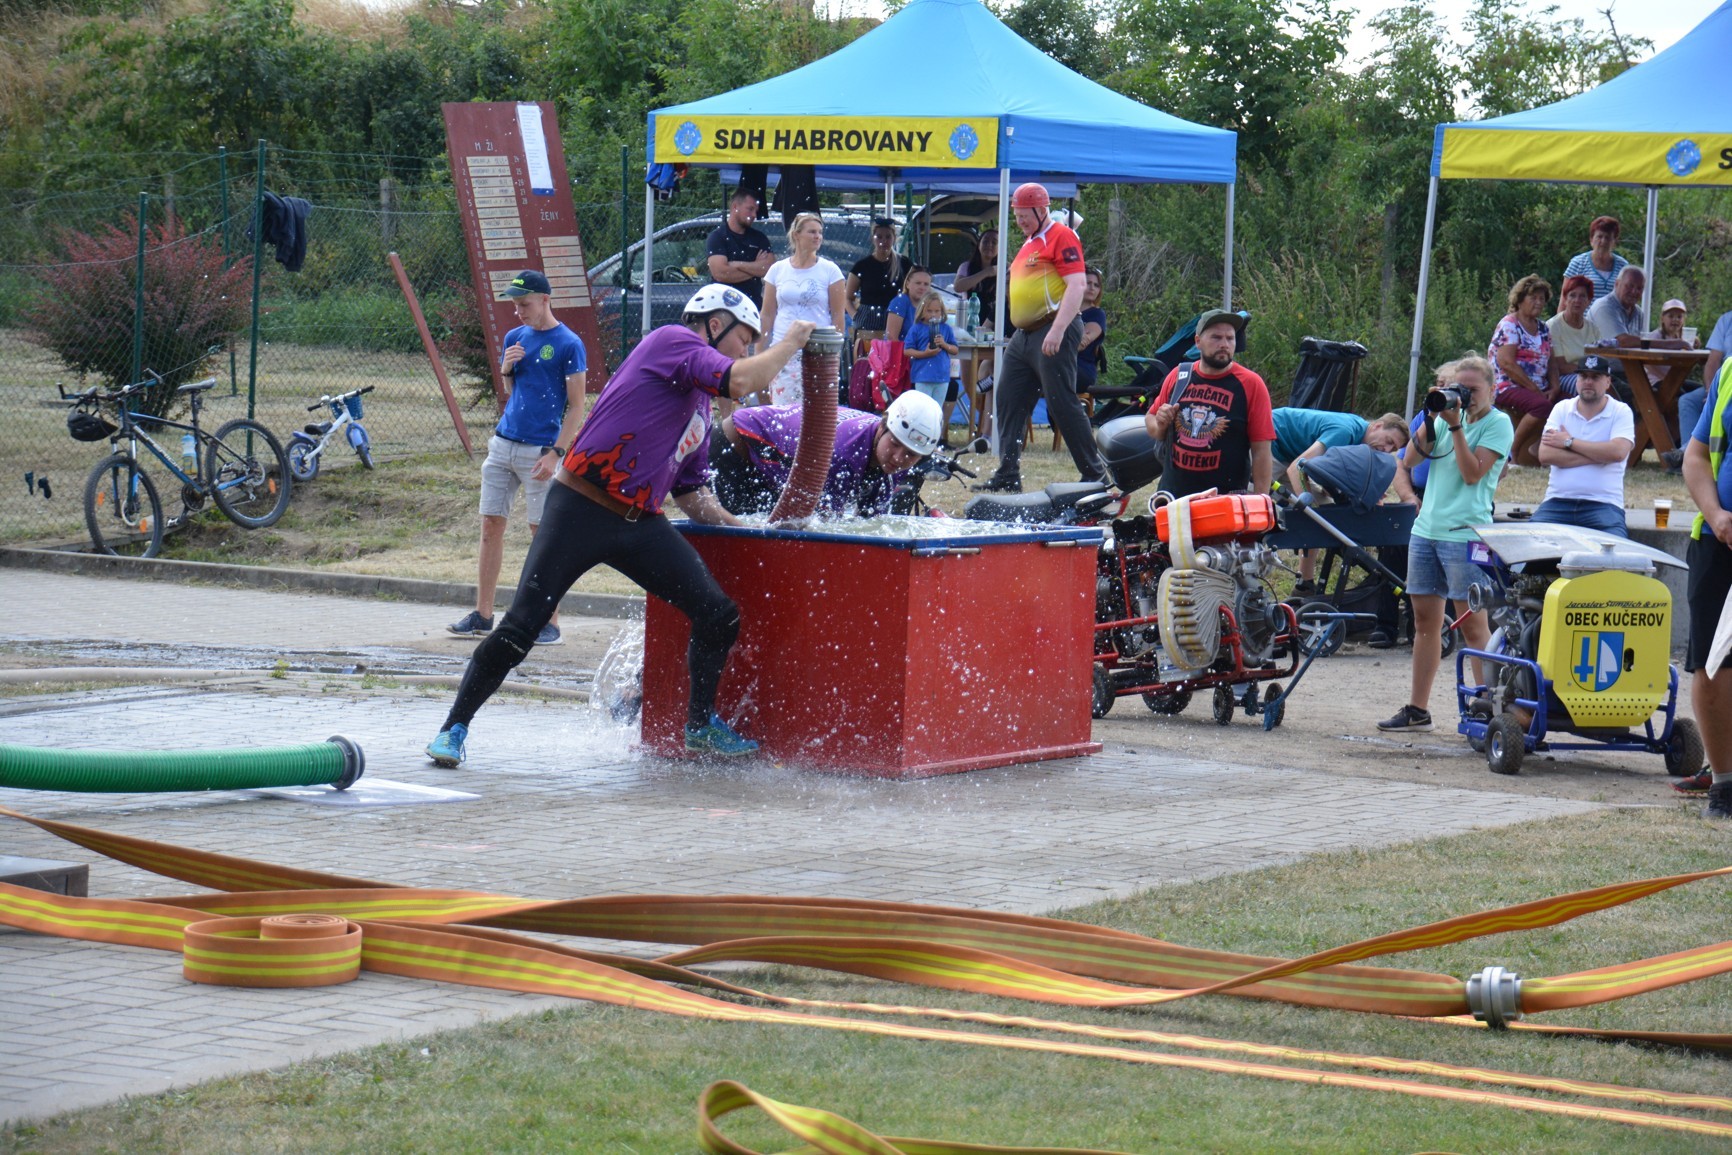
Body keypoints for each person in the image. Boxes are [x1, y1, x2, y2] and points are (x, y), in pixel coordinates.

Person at [424, 285, 817, 767]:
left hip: (639, 523)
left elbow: (692, 496)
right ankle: (453, 728)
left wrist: (744, 529)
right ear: (715, 325)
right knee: (522, 626)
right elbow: (740, 381)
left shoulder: (699, 407)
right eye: (745, 339)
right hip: (580, 508)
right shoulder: (672, 341)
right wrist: (791, 340)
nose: (747, 349)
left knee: (718, 613)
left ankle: (699, 726)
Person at [447, 270, 587, 648]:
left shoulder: (569, 344)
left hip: (540, 451)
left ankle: (549, 622)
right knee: (490, 525)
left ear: (544, 300)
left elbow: (577, 406)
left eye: (524, 304)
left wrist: (556, 453)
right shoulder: (515, 337)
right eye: (514, 305)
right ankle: (483, 615)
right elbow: (514, 392)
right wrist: (507, 369)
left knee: (543, 534)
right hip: (502, 445)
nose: (518, 311)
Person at [1380, 356, 1512, 732]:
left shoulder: (1498, 423)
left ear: (1492, 390)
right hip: (1427, 530)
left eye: (1473, 390)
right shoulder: (1443, 417)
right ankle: (1417, 709)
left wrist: (1455, 427)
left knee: (1472, 624)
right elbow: (1408, 459)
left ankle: (1487, 705)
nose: (1465, 397)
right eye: (1459, 389)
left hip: (1466, 534)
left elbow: (1472, 474)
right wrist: (1431, 415)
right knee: (1425, 623)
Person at [974, 182, 1112, 491]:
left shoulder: (1061, 236)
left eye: (1024, 215)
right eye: (1017, 215)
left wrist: (1059, 329)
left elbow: (1076, 285)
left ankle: (1096, 475)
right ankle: (1008, 474)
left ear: (1041, 210)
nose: (1020, 221)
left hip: (1052, 326)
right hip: (1024, 335)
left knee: (1061, 401)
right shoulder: (1030, 241)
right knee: (1007, 396)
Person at [710, 391, 942, 518]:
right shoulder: (842, 456)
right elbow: (825, 528)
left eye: (911, 455)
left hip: (770, 450)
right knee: (759, 536)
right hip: (735, 444)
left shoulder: (890, 452)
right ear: (882, 426)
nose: (898, 458)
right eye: (895, 444)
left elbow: (872, 522)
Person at [1273, 407, 1409, 593]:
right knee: (1310, 515)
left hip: (1292, 456)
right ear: (1377, 426)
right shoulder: (1345, 431)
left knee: (1326, 513)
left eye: (1393, 449)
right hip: (1274, 443)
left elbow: (1323, 473)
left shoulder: (1361, 442)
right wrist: (1307, 508)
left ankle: (1304, 584)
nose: (1386, 449)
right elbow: (1297, 467)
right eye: (1389, 441)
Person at [1142, 309, 1275, 499]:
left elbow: (1261, 450)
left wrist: (1262, 501)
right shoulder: (1180, 376)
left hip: (1224, 501)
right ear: (1198, 342)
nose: (1224, 344)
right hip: (1173, 497)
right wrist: (1160, 424)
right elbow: (1151, 420)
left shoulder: (1251, 384)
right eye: (1216, 337)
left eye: (1230, 338)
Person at [1680, 360, 1732, 817]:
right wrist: (1716, 516)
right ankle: (1723, 785)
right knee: (1712, 665)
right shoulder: (1730, 371)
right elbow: (1695, 457)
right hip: (1718, 542)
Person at [1531, 354, 1635, 536]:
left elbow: (1618, 453)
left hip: (1604, 505)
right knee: (1529, 543)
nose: (1588, 382)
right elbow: (1545, 455)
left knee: (1617, 548)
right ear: (1577, 381)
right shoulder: (1562, 408)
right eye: (1583, 376)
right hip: (1557, 502)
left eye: (1595, 377)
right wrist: (1600, 455)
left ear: (1608, 382)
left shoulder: (1621, 411)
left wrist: (1569, 442)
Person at [759, 211, 846, 406]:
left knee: (817, 410)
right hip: (783, 349)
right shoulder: (777, 270)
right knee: (784, 410)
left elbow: (838, 316)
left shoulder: (830, 271)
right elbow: (767, 314)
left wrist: (835, 354)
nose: (818, 236)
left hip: (818, 349)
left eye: (820, 232)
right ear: (796, 235)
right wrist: (760, 350)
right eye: (812, 232)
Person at [1489, 274, 1562, 468]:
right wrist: (1535, 390)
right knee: (1541, 406)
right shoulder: (1510, 324)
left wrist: (1555, 387)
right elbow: (1506, 363)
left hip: (1538, 386)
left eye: (1542, 298)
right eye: (1533, 297)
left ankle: (1541, 447)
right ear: (1520, 300)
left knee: (1569, 403)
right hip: (1507, 385)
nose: (1538, 302)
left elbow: (1552, 362)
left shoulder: (1543, 328)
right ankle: (1512, 451)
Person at [1672, 305, 1732, 471]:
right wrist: (1709, 392)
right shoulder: (1726, 320)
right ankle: (1690, 456)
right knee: (1688, 400)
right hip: (1724, 383)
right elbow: (1712, 361)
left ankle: (1687, 454)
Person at [705, 188, 774, 309]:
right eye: (750, 209)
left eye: (756, 211)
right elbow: (720, 273)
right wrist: (755, 267)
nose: (754, 215)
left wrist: (736, 265)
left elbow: (769, 268)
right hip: (723, 306)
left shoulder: (759, 238)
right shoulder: (717, 237)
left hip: (752, 306)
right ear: (735, 206)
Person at [846, 218, 901, 355]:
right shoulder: (862, 266)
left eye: (888, 237)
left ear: (894, 238)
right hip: (867, 322)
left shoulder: (904, 264)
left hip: (896, 319)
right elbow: (847, 297)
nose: (883, 241)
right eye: (879, 237)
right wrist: (855, 316)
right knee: (867, 361)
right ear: (873, 239)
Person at [904, 291, 957, 408]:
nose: (933, 314)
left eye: (937, 311)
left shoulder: (946, 328)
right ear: (922, 311)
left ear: (942, 311)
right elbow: (907, 350)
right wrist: (924, 354)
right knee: (923, 409)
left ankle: (937, 421)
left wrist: (944, 344)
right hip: (922, 376)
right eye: (929, 311)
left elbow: (955, 350)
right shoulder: (916, 328)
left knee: (937, 409)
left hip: (942, 377)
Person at [1546, 274, 1600, 386]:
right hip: (1562, 378)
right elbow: (1560, 366)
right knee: (1591, 385)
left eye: (1582, 296)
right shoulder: (1553, 326)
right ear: (1565, 300)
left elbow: (1599, 360)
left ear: (1589, 301)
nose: (1577, 300)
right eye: (1572, 295)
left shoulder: (1593, 329)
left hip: (1591, 375)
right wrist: (1589, 370)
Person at [1561, 215, 1628, 301]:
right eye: (1599, 237)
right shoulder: (1578, 263)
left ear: (1614, 242)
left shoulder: (1623, 267)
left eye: (1608, 237)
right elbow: (1564, 299)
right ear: (1591, 240)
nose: (1603, 241)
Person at [953, 227, 1000, 333]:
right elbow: (958, 287)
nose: (989, 245)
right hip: (970, 323)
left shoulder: (1005, 268)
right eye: (985, 241)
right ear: (979, 244)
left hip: (996, 324)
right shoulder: (967, 267)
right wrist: (986, 272)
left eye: (994, 242)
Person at [1585, 264, 1647, 343]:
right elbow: (1622, 341)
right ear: (1617, 284)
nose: (1634, 292)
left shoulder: (1638, 312)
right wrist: (1660, 343)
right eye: (1630, 286)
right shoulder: (1603, 306)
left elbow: (1639, 343)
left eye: (1639, 288)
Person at [1075, 266, 1107, 395]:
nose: (1092, 288)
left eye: (1096, 285)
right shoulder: (1063, 310)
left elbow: (1083, 341)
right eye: (1088, 283)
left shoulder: (1097, 314)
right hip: (1057, 363)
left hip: (1081, 368)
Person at [883, 264, 932, 344]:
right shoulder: (900, 301)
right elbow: (891, 337)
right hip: (898, 350)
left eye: (926, 284)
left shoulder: (929, 305)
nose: (922, 287)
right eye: (918, 283)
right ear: (907, 284)